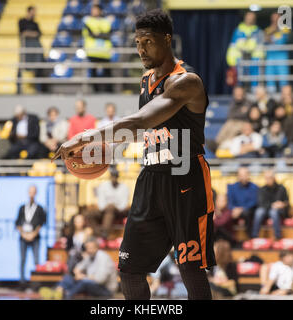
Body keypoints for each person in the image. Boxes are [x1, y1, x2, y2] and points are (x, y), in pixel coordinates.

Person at [53, 9, 216, 300]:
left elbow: (140, 121)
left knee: (189, 267)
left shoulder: (186, 81)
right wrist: (107, 149)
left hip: (184, 178)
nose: (140, 49)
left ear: (167, 39)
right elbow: (144, 130)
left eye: (147, 42)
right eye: (137, 42)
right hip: (151, 177)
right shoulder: (145, 81)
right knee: (129, 268)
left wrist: (84, 136)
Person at [40, 237, 117, 300]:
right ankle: (57, 291)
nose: (89, 250)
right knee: (68, 277)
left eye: (91, 248)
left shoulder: (103, 257)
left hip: (106, 290)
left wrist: (83, 277)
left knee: (84, 282)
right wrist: (78, 274)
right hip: (91, 283)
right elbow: (77, 268)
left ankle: (66, 295)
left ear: (97, 247)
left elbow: (100, 279)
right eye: (87, 248)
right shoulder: (90, 256)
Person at [15, 185, 47, 287]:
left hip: (35, 237)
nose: (31, 194)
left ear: (36, 193)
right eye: (30, 191)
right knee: (23, 259)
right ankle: (22, 281)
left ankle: (36, 281)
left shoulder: (40, 208)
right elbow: (17, 223)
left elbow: (41, 223)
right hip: (23, 237)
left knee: (36, 259)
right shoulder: (22, 207)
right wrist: (23, 234)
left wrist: (33, 234)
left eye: (33, 192)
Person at [226, 11, 264, 90]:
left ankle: (254, 93)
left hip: (254, 58)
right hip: (239, 59)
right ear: (245, 18)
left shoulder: (258, 31)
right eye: (248, 17)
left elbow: (253, 46)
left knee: (254, 78)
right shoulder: (238, 30)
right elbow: (237, 45)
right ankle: (240, 94)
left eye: (252, 18)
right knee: (239, 80)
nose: (249, 19)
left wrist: (247, 46)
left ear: (254, 20)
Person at [82, 4, 113, 92]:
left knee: (107, 72)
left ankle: (109, 91)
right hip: (92, 52)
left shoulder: (106, 21)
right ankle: (95, 91)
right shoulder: (87, 21)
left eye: (96, 10)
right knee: (93, 72)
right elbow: (90, 34)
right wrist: (101, 34)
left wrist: (97, 34)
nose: (94, 11)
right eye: (93, 9)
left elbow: (108, 34)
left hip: (105, 52)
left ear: (100, 10)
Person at [251, 170, 289, 239]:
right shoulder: (262, 189)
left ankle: (277, 236)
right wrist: (273, 205)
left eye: (270, 177)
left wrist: (282, 204)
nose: (268, 180)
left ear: (274, 178)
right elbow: (261, 203)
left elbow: (287, 203)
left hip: (278, 211)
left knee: (273, 212)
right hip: (265, 210)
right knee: (259, 212)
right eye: (266, 178)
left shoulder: (282, 188)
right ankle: (254, 235)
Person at [94, 167, 129, 239]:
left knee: (110, 208)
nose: (114, 178)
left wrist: (112, 206)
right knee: (89, 214)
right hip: (105, 209)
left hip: (119, 212)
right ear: (110, 177)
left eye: (115, 177)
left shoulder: (124, 187)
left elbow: (123, 205)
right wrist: (106, 207)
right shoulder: (103, 186)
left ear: (117, 177)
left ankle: (105, 232)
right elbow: (101, 201)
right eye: (112, 176)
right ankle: (97, 232)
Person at [18, 6, 45, 93]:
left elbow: (39, 34)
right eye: (33, 12)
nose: (34, 14)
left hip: (35, 48)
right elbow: (23, 33)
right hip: (26, 47)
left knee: (38, 67)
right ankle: (18, 89)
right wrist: (32, 34)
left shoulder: (35, 23)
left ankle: (38, 89)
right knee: (21, 67)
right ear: (28, 12)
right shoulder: (22, 21)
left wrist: (29, 33)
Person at [227, 167, 259, 238]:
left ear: (248, 175)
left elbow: (254, 202)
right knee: (225, 215)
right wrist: (234, 209)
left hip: (248, 211)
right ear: (238, 176)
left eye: (245, 175)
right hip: (234, 211)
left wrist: (241, 209)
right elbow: (230, 201)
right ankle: (228, 238)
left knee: (248, 213)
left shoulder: (254, 187)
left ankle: (250, 237)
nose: (243, 177)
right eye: (241, 175)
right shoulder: (231, 187)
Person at [264, 12, 290, 93]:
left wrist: (273, 32)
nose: (276, 20)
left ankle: (285, 93)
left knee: (283, 77)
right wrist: (271, 32)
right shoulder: (267, 29)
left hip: (282, 57)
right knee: (270, 77)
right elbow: (265, 38)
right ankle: (271, 93)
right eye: (274, 18)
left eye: (278, 18)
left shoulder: (285, 29)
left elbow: (285, 37)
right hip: (270, 56)